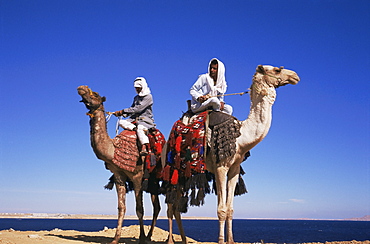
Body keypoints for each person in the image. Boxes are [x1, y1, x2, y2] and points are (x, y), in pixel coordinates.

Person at [112, 77, 155, 156]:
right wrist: (121, 114)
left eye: (138, 88)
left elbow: (138, 109)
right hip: (133, 120)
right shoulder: (136, 98)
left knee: (140, 128)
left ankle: (144, 146)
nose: (137, 90)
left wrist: (122, 111)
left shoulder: (148, 97)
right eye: (136, 88)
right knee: (120, 122)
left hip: (144, 120)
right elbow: (132, 109)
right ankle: (134, 129)